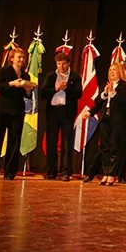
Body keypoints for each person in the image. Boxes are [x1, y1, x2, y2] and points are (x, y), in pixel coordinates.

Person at [0, 48, 35, 180]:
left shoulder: (26, 76)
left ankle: (10, 172)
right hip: (1, 110)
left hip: (17, 111)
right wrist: (12, 84)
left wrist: (28, 90)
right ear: (12, 59)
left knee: (14, 142)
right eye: (19, 57)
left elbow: (27, 96)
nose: (21, 60)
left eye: (23, 58)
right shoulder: (4, 72)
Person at [82, 63, 126, 186]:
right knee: (105, 148)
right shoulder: (107, 85)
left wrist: (113, 93)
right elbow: (99, 102)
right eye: (110, 70)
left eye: (114, 70)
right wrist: (91, 111)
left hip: (117, 120)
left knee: (114, 147)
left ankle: (111, 175)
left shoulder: (124, 86)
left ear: (119, 71)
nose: (112, 72)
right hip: (105, 119)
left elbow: (123, 101)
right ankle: (105, 173)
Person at [40, 53, 82, 181]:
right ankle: (51, 171)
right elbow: (43, 93)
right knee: (51, 142)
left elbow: (78, 93)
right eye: (59, 63)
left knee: (66, 142)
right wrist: (56, 88)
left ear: (68, 63)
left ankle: (65, 171)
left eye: (64, 63)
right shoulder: (51, 76)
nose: (61, 66)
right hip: (53, 112)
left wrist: (66, 88)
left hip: (67, 112)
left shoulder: (75, 76)